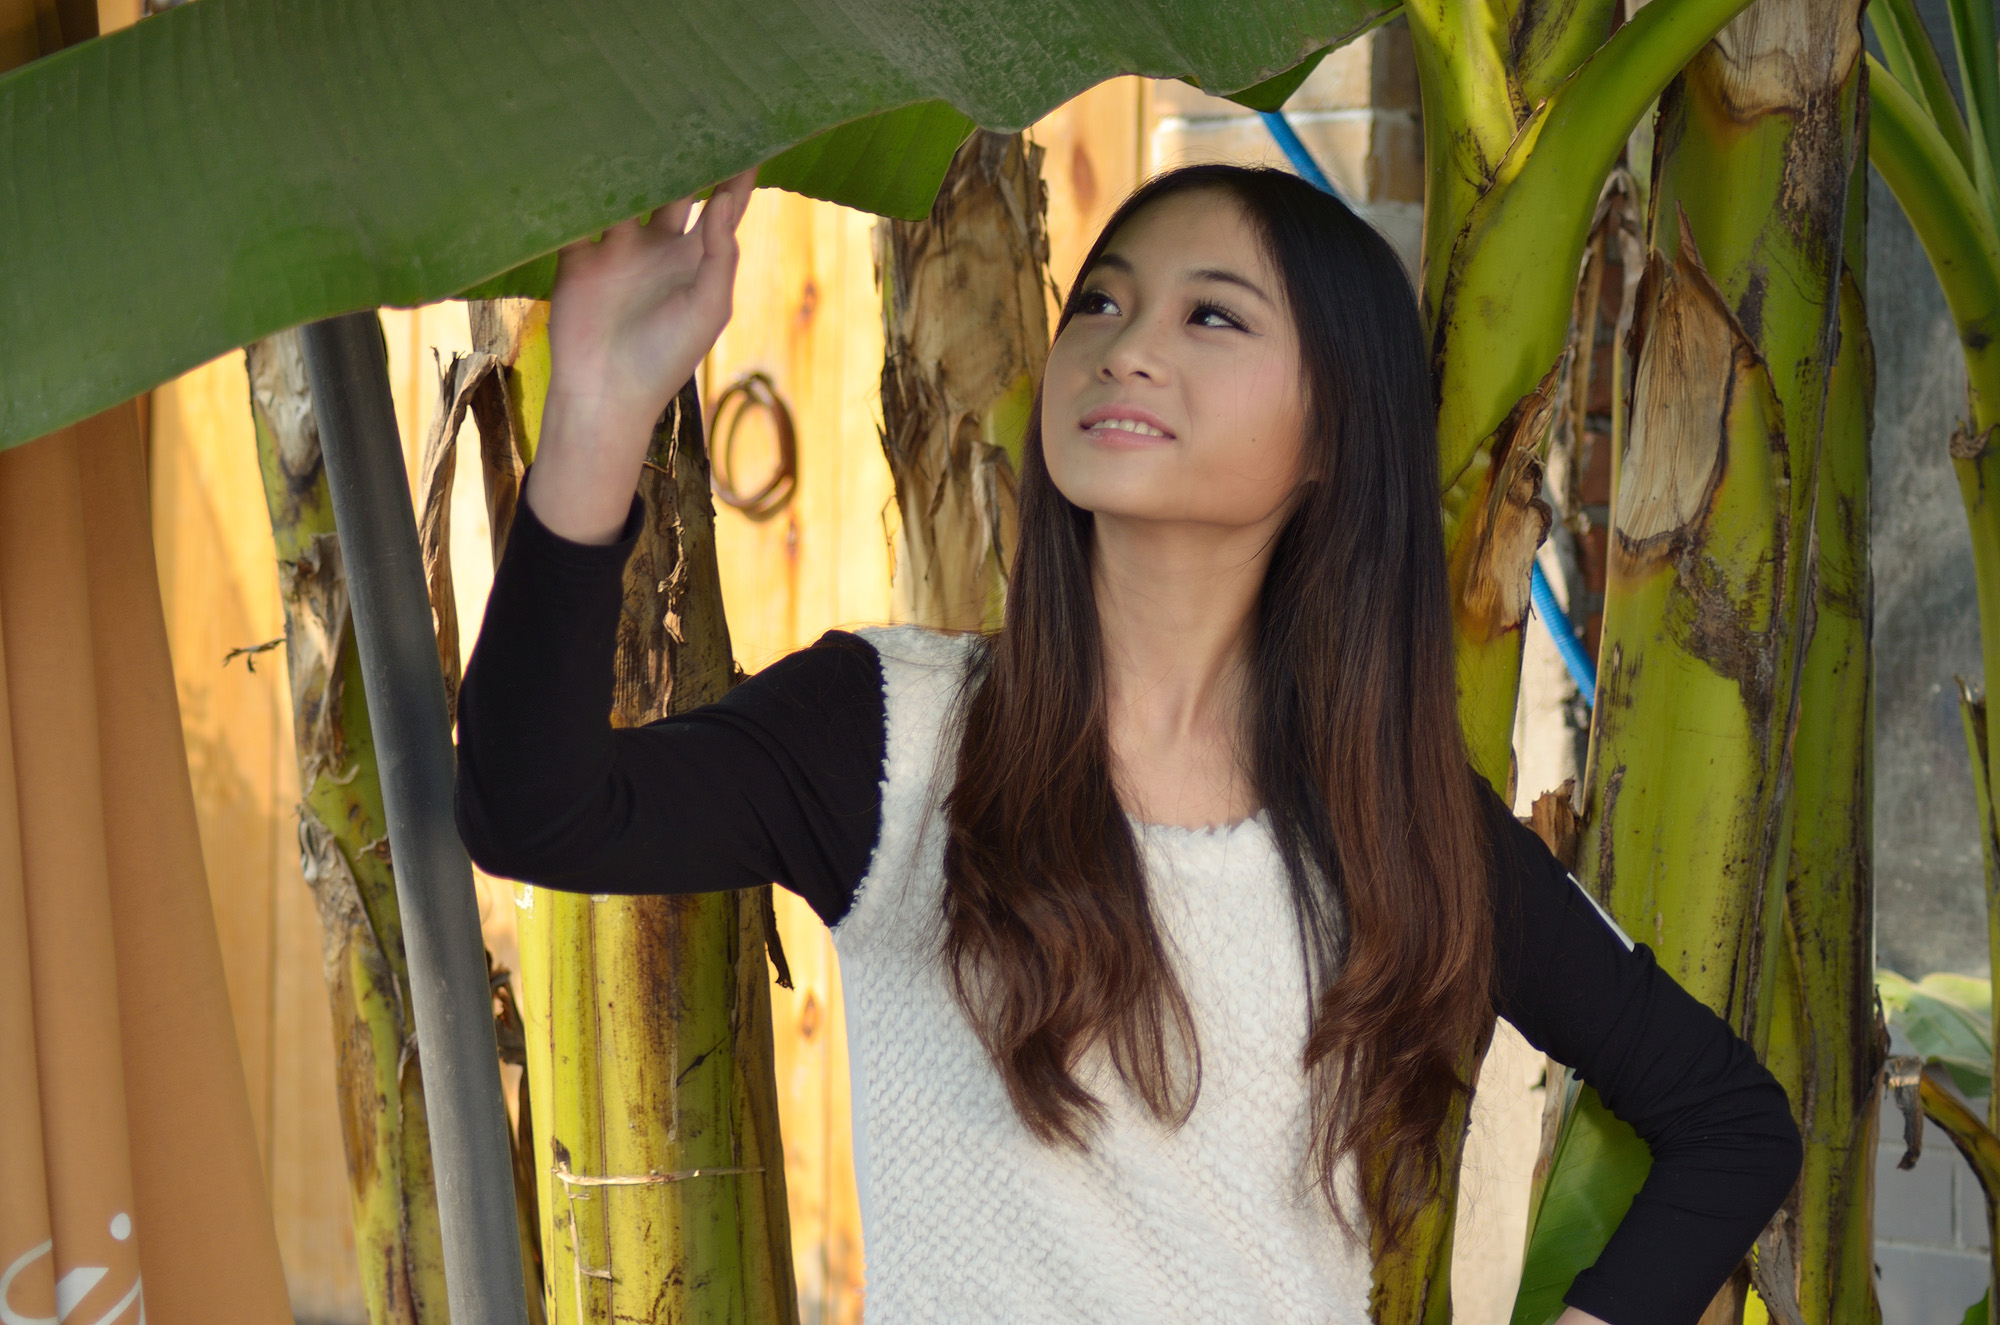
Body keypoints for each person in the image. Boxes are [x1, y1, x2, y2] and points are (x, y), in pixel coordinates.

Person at [455, 161, 1802, 1325]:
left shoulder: (1396, 816)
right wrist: (599, 414)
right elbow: (533, 811)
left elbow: (1729, 1123)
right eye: (1100, 302)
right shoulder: (894, 737)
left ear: (1333, 432)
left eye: (1212, 314)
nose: (1125, 346)